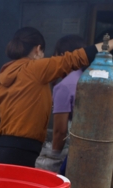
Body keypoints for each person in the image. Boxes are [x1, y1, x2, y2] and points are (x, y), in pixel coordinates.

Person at [0, 27, 113, 167]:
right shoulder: (37, 68)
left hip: (1, 150)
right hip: (23, 153)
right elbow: (79, 57)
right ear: (38, 49)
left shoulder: (2, 76)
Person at [36, 34, 87, 173]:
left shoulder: (64, 86)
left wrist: (53, 157)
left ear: (64, 56)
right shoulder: (85, 78)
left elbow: (60, 131)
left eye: (56, 55)